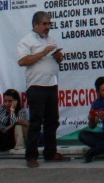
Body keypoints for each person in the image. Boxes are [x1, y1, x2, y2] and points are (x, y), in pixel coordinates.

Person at [17, 11, 67, 168]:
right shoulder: (27, 41)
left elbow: (54, 60)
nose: (47, 27)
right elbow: (22, 61)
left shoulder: (51, 39)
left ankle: (50, 153)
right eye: (44, 24)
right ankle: (31, 156)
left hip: (51, 85)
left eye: (49, 24)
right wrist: (43, 52)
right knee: (36, 122)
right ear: (35, 25)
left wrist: (58, 57)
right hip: (36, 86)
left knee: (52, 122)